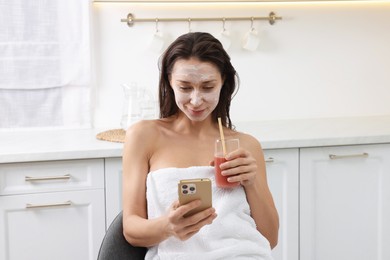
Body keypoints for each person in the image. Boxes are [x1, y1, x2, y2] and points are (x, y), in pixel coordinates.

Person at [122, 32, 279, 259]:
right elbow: (131, 228)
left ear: (223, 82)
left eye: (207, 87)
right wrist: (167, 226)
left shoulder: (245, 145)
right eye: (185, 87)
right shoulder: (144, 136)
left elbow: (270, 239)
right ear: (169, 82)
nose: (196, 100)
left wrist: (251, 182)